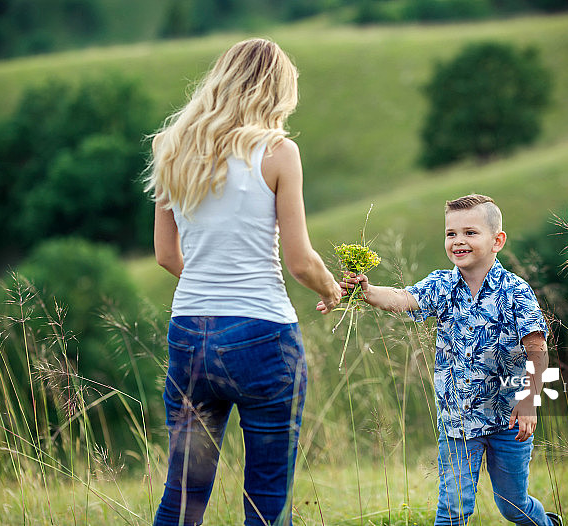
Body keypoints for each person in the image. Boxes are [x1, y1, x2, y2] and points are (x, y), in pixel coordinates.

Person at [146, 38, 342, 526]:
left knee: (183, 494)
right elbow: (299, 260)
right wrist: (332, 289)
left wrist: (212, 287)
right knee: (267, 497)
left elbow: (167, 255)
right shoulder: (278, 152)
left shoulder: (172, 149)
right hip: (263, 336)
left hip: (189, 331)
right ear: (277, 91)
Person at [319, 194, 563, 526]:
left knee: (512, 505)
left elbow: (538, 348)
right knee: (453, 508)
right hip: (458, 421)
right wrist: (367, 290)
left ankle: (547, 523)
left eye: (470, 233)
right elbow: (403, 298)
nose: (459, 240)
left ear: (497, 241)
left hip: (510, 418)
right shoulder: (441, 284)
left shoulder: (515, 291)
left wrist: (529, 401)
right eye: (451, 233)